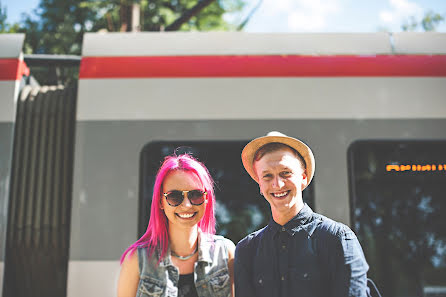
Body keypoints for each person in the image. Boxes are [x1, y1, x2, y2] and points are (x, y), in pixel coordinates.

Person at [234, 131, 369, 297]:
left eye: (286, 173)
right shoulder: (247, 250)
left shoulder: (337, 239)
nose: (278, 184)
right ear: (260, 185)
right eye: (268, 176)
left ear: (303, 177)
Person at [118, 154, 235, 297]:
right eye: (174, 196)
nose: (186, 205)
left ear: (206, 199)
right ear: (161, 201)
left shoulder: (225, 253)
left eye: (195, 195)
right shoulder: (137, 260)